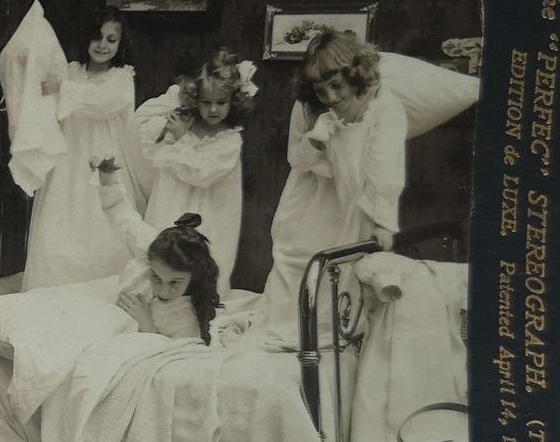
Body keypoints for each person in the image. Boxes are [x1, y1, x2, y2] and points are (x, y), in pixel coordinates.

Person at [253, 29, 407, 348]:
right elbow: (294, 158)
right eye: (322, 91)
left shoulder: (382, 106)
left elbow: (385, 167)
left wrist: (382, 221)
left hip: (355, 199)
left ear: (354, 73)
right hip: (310, 195)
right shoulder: (308, 106)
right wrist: (317, 143)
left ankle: (332, 341)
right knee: (295, 259)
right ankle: (285, 340)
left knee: (344, 273)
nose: (332, 98)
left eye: (336, 85)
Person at [23, 7, 138, 290]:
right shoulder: (70, 71)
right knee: (58, 229)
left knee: (100, 229)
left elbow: (101, 102)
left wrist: (61, 88)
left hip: (103, 160)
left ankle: (99, 295)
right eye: (97, 37)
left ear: (120, 44)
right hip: (67, 160)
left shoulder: (122, 79)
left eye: (111, 39)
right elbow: (45, 103)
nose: (102, 45)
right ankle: (51, 294)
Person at [139, 47, 256, 296]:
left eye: (221, 102)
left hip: (209, 212)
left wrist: (181, 140)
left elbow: (202, 173)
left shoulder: (229, 140)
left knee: (202, 259)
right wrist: (177, 102)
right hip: (171, 204)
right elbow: (144, 133)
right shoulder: (186, 124)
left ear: (233, 101)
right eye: (205, 102)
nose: (213, 110)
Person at [95, 158, 220, 344]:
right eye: (155, 277)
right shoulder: (151, 252)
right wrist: (107, 180)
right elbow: (125, 219)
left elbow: (178, 355)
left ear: (192, 277)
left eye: (175, 283)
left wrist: (148, 327)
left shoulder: (188, 315)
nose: (163, 290)